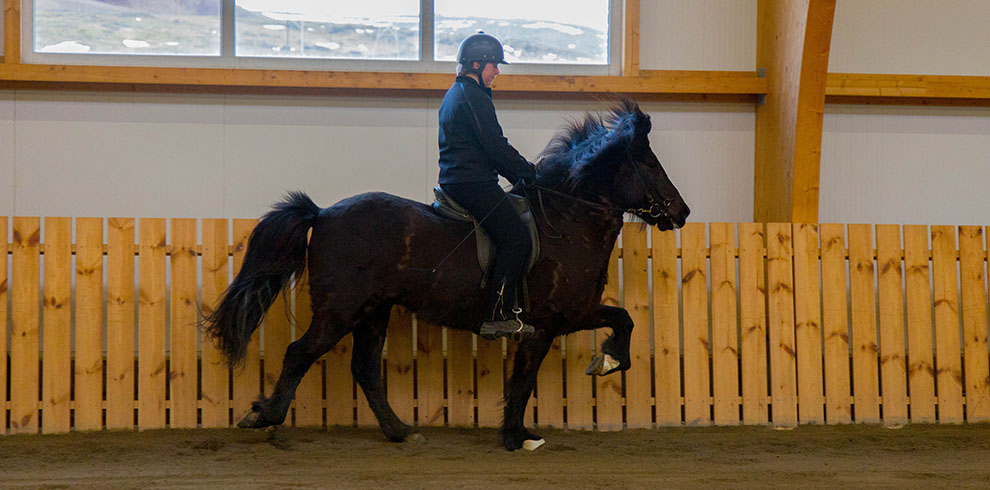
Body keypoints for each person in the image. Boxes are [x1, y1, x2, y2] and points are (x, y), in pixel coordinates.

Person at [437, 31, 537, 341]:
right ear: (477, 64)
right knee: (517, 239)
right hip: (473, 183)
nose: (497, 72)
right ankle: (497, 315)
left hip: (459, 179)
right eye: (494, 65)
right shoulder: (473, 96)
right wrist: (528, 174)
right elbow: (495, 146)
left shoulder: (458, 92)